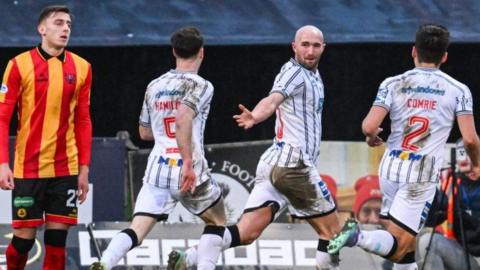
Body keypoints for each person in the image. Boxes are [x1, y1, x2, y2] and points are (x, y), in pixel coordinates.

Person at [168, 25, 342, 270]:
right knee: (333, 233)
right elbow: (272, 100)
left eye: (315, 45)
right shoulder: (293, 73)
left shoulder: (314, 75)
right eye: (305, 45)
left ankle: (190, 258)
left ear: (323, 48)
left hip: (274, 163)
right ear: (294, 47)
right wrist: (255, 117)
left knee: (246, 232)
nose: (310, 51)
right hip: (294, 166)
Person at [328, 23, 480, 270]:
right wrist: (477, 163)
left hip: (391, 166)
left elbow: (369, 127)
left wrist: (370, 138)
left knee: (406, 250)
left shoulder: (392, 83)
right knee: (399, 245)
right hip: (421, 172)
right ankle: (355, 235)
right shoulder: (458, 90)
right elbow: (471, 140)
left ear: (413, 51)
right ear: (444, 56)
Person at [89, 26, 226, 270]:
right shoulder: (201, 85)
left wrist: (165, 132)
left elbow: (144, 132)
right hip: (188, 169)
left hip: (158, 169)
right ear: (202, 52)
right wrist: (186, 162)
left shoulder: (155, 85)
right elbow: (183, 119)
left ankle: (105, 262)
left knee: (137, 230)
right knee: (217, 222)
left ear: (174, 51)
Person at [0, 5, 92, 269]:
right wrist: (3, 164)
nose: (65, 29)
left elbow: (83, 120)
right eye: (59, 23)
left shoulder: (83, 68)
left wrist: (84, 168)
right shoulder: (19, 65)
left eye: (69, 25)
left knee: (56, 243)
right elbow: (2, 117)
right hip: (28, 167)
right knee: (23, 242)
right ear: (42, 29)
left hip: (66, 167)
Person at [416, 139, 480, 269]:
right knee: (427, 241)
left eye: (467, 152)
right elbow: (429, 221)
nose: (463, 157)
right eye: (460, 152)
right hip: (467, 258)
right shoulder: (452, 183)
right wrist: (428, 186)